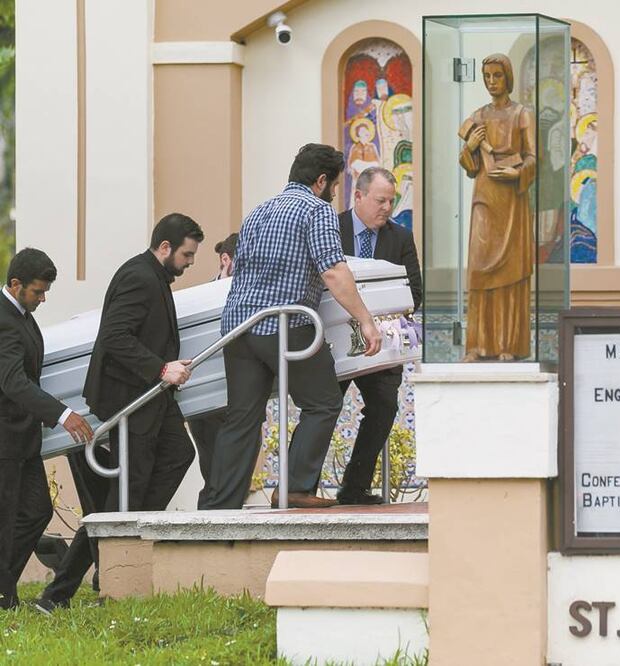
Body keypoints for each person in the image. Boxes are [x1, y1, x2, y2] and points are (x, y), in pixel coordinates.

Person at [199, 143, 382, 511]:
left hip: (238, 326)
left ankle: (218, 506)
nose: (334, 193)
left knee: (243, 416)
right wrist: (365, 320)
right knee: (324, 401)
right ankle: (295, 488)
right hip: (287, 324)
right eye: (334, 185)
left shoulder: (258, 211)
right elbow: (333, 269)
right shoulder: (317, 211)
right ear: (320, 181)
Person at [34, 216, 200, 614]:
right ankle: (61, 592)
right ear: (164, 247)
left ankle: (122, 536)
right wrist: (161, 368)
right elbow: (114, 336)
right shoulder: (139, 277)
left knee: (177, 456)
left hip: (152, 397)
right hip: (131, 400)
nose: (190, 262)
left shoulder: (152, 277)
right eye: (186, 254)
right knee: (122, 494)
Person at [0, 249, 93, 610]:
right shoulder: (5, 320)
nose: (43, 298)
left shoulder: (20, 315)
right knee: (7, 521)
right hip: (6, 438)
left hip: (22, 439)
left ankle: (4, 586)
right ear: (15, 284)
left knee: (37, 512)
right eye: (38, 292)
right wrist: (62, 414)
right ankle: (5, 596)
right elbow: (13, 382)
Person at [337, 166, 421, 505]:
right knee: (323, 406)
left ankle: (354, 488)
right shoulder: (332, 228)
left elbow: (415, 291)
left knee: (384, 406)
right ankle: (302, 487)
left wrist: (376, 314)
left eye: (391, 201)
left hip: (381, 344)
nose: (386, 208)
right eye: (380, 200)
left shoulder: (399, 238)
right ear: (358, 196)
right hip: (335, 341)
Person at [458, 53, 536, 362]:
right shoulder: (477, 116)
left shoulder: (521, 114)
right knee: (479, 269)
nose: (492, 82)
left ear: (508, 78)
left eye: (497, 76)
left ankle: (508, 345)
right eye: (487, 76)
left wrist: (518, 172)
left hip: (512, 199)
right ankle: (477, 345)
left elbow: (532, 157)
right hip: (484, 196)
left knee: (510, 270)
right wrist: (470, 148)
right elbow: (469, 165)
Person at [187, 232, 239, 500]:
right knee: (214, 474)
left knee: (238, 473)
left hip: (242, 396)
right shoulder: (199, 300)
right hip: (207, 403)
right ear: (225, 260)